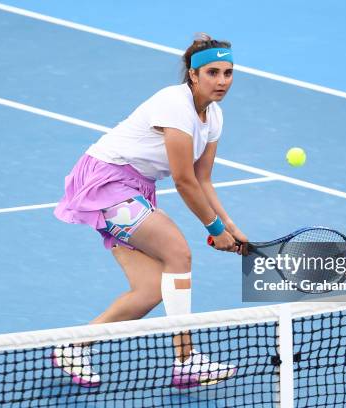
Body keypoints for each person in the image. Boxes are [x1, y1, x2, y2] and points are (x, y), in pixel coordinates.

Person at [51, 33, 248, 388]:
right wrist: (215, 229)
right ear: (193, 74)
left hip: (136, 188)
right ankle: (186, 360)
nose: (221, 81)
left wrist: (230, 225)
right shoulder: (174, 105)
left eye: (228, 73)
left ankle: (73, 346)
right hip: (107, 183)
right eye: (213, 72)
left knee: (150, 290)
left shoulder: (214, 117)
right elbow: (184, 180)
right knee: (178, 252)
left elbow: (204, 179)